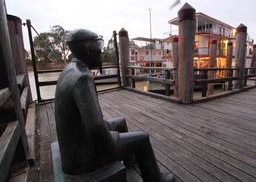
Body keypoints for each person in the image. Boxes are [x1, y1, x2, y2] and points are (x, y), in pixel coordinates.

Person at [55, 29, 175, 182]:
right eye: (98, 45)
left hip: (74, 149)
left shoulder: (70, 70)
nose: (101, 49)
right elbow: (96, 127)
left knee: (120, 121)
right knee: (142, 138)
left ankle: (130, 161)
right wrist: (110, 150)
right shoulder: (83, 77)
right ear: (87, 48)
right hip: (82, 158)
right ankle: (156, 180)